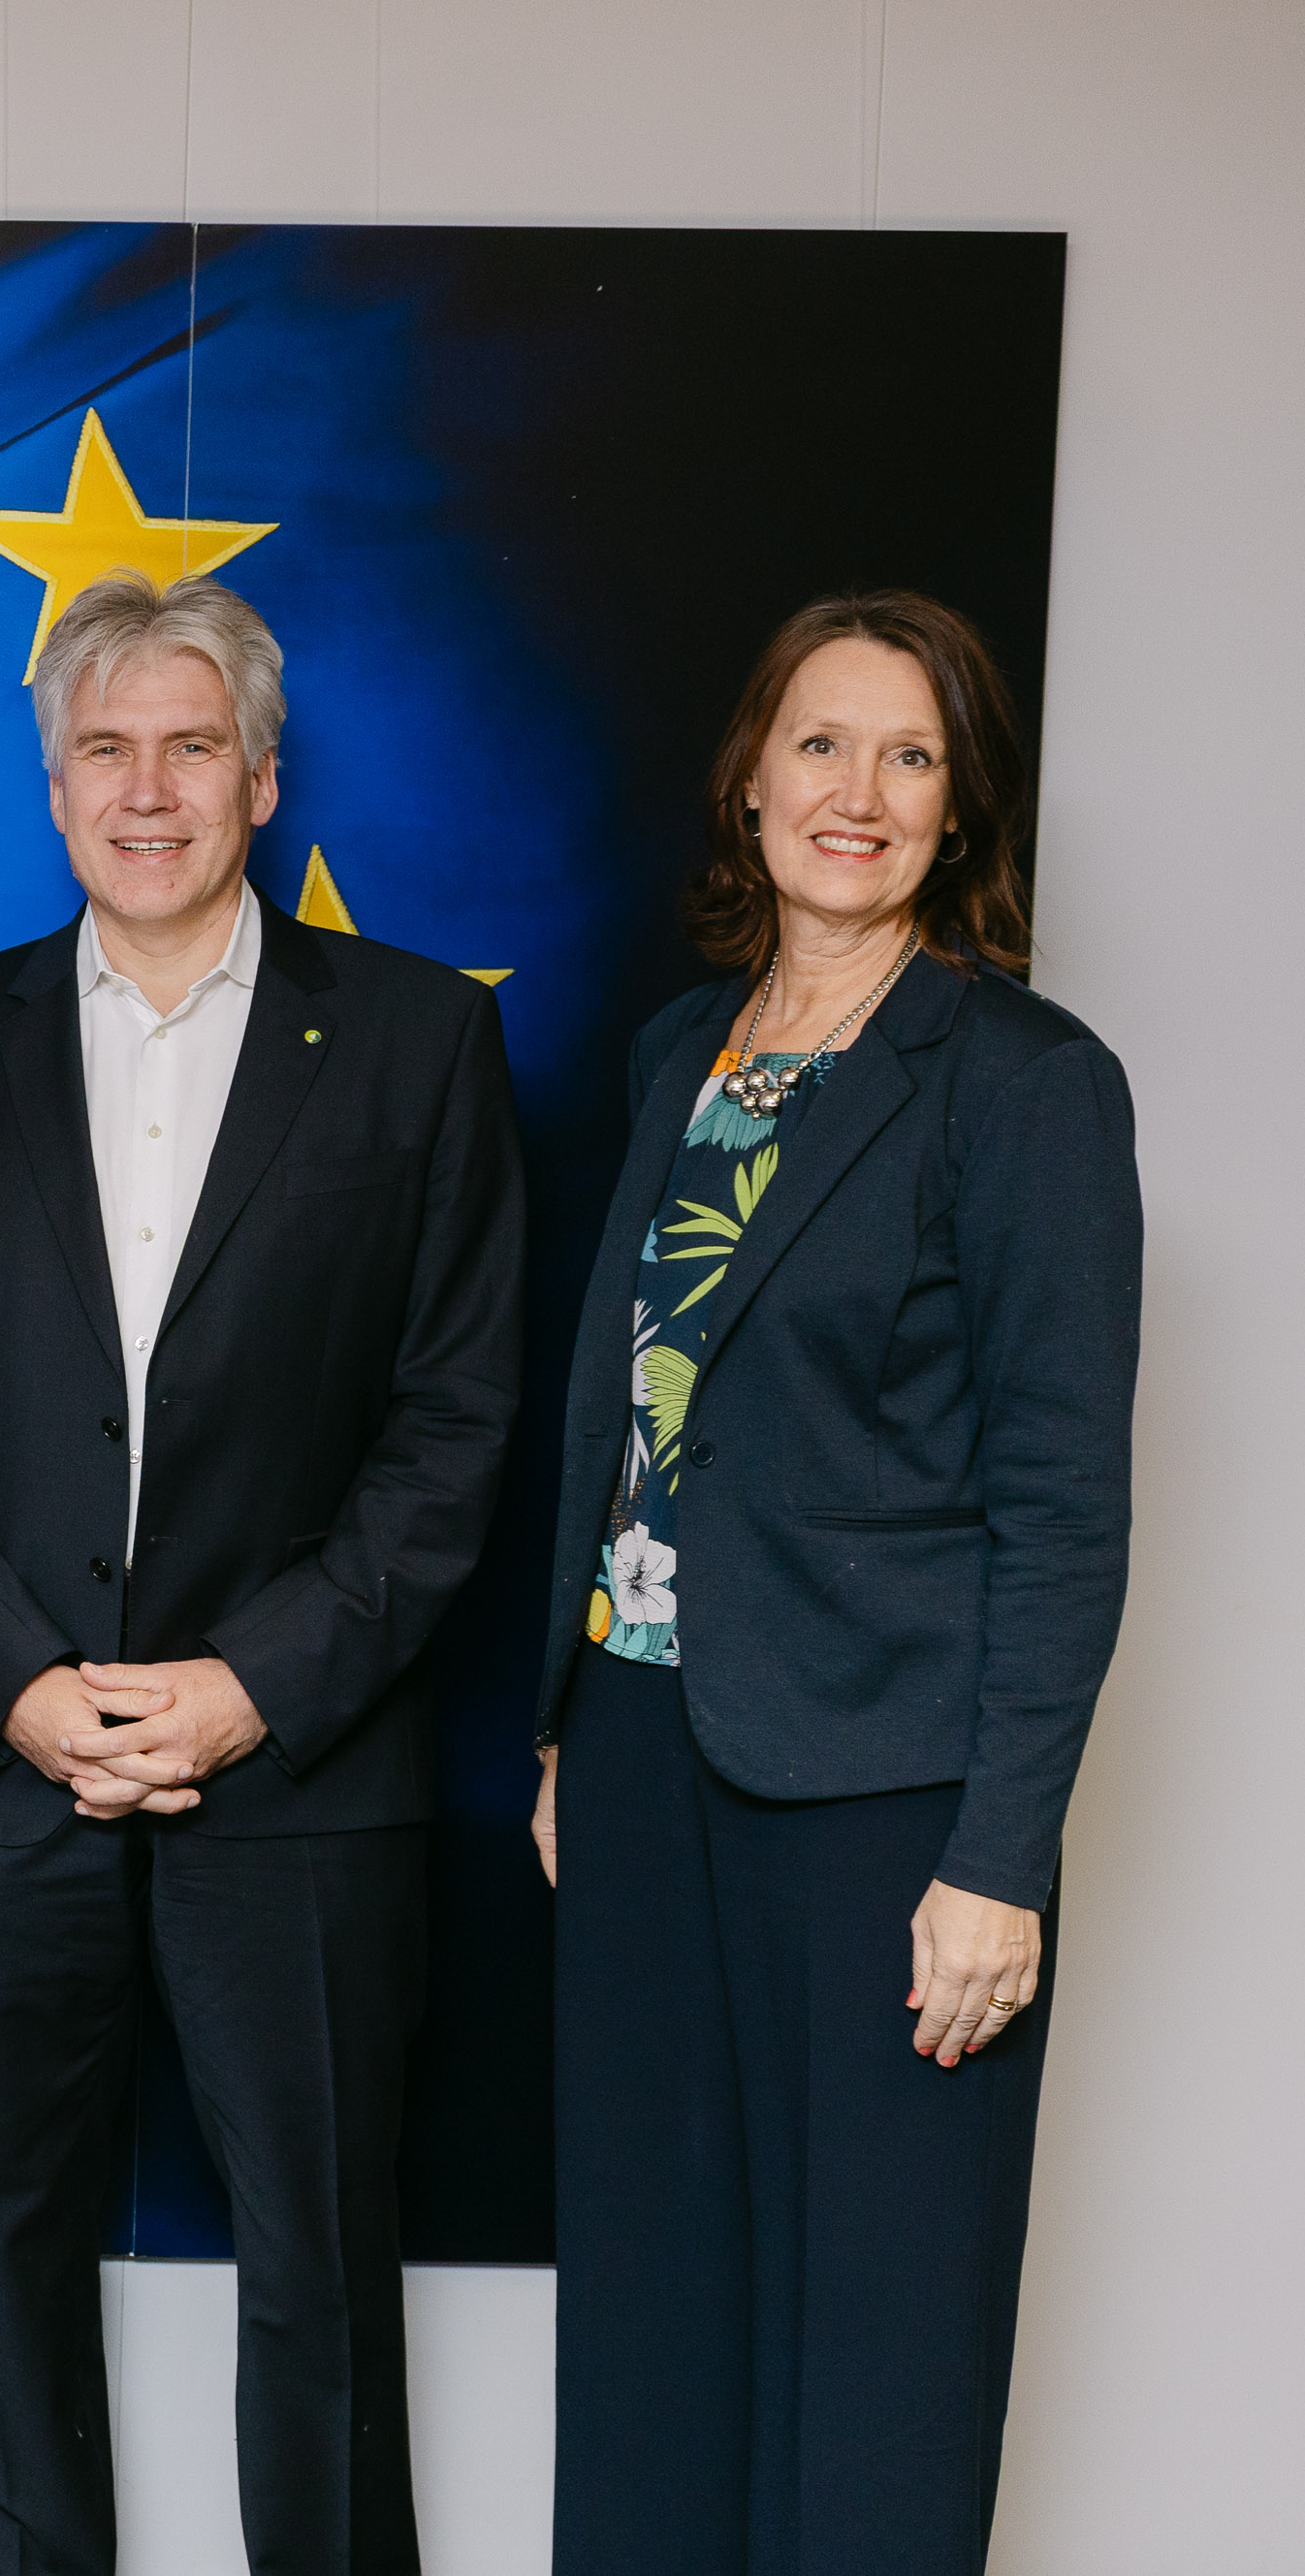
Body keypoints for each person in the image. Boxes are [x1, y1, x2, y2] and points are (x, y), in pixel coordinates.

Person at [0, 570, 525, 2576]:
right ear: (49, 782)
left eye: (187, 744)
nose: (142, 788)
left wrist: (250, 1681)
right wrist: (14, 1680)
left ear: (257, 776)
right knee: (5, 2249)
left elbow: (455, 1420)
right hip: (2, 1765)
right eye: (100, 747)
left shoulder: (411, 1038)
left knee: (319, 2263)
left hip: (303, 1772)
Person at [530, 593, 1135, 2576]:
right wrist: (566, 1716)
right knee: (645, 2333)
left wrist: (1001, 1853)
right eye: (816, 743)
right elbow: (621, 1415)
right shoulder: (670, 1057)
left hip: (884, 1806)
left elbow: (1058, 1496)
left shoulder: (1021, 1082)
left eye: (906, 757)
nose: (850, 793)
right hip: (636, 1762)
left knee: (873, 2365)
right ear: (749, 774)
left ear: (957, 815)